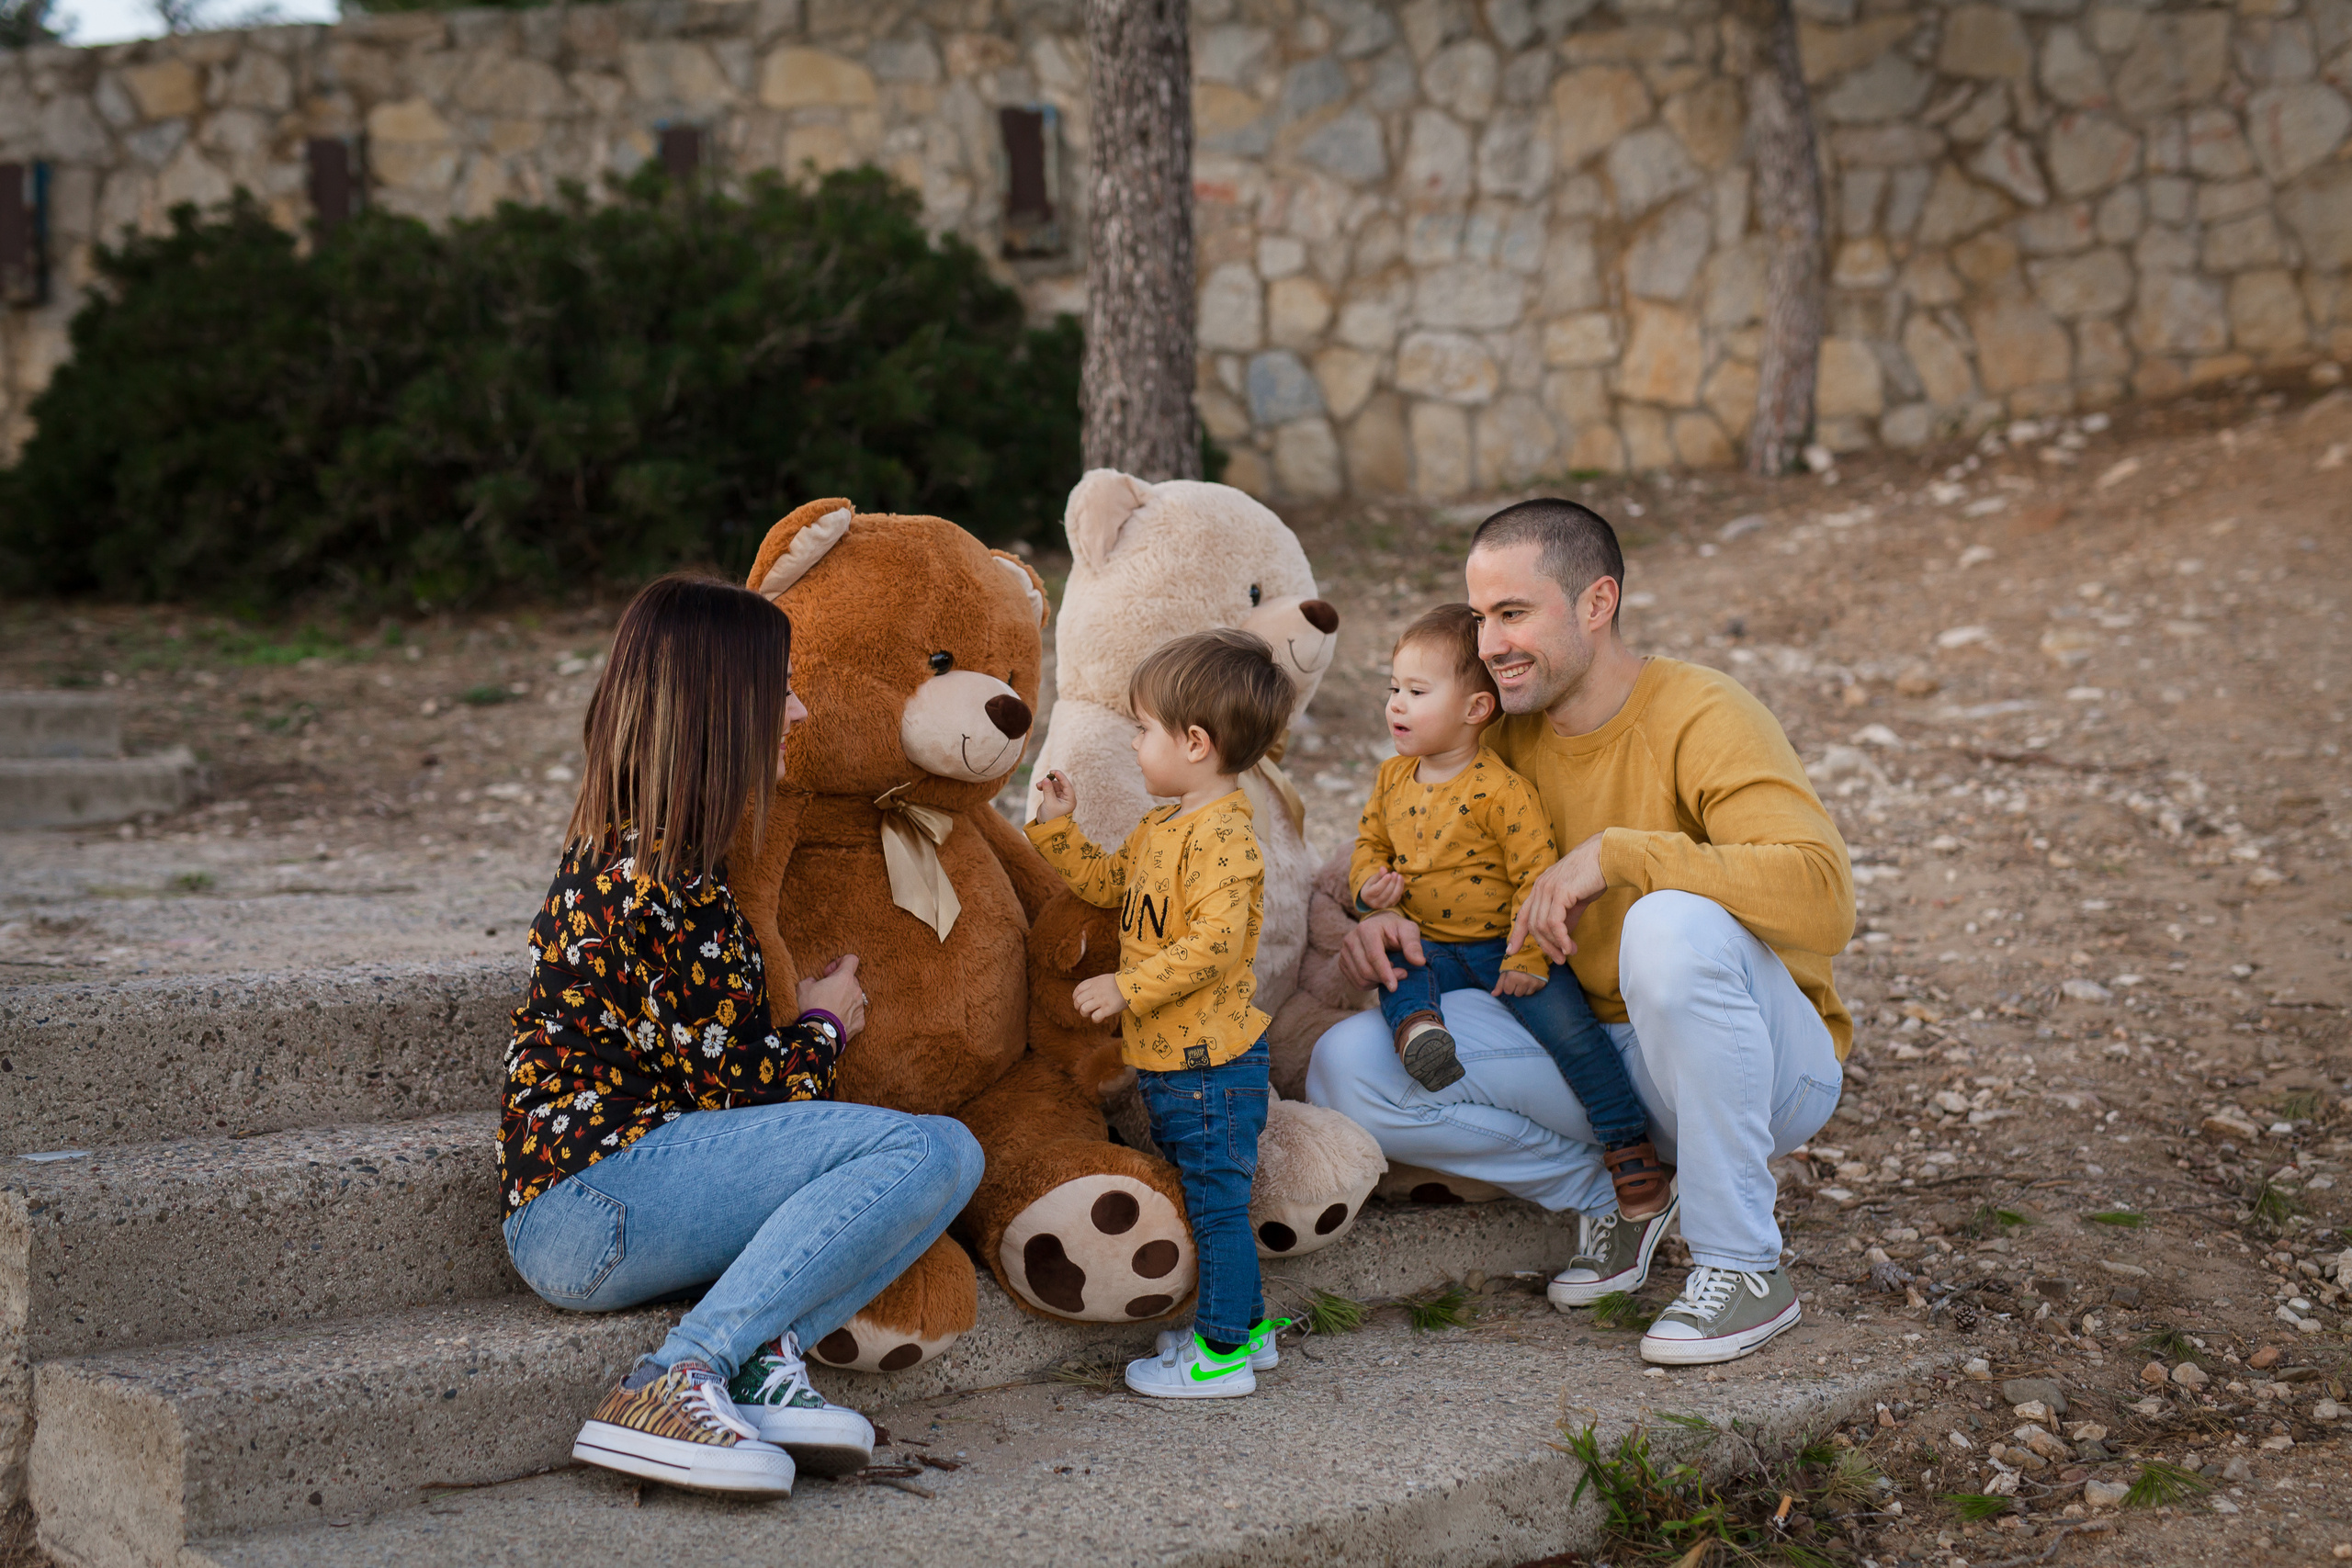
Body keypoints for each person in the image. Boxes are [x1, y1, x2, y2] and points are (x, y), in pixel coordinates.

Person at [1306, 500, 1852, 1367]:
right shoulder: (1500, 733)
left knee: (1666, 923)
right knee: (1350, 1068)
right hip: (1595, 1062)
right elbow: (1415, 848)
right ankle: (1617, 1191)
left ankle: (1745, 1263)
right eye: (1481, 617)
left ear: (1597, 604)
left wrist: (1622, 855)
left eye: (1513, 613)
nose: (1488, 642)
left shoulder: (1701, 712)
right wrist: (1383, 919)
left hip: (1760, 1068)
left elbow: (1826, 897)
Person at [500, 573, 984, 1498]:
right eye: (780, 689)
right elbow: (739, 1094)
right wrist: (822, 1027)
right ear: (721, 707)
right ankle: (673, 1377)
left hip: (628, 1189)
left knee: (951, 1153)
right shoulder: (643, 881)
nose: (797, 711)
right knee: (915, 1146)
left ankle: (761, 1361)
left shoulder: (675, 866)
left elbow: (707, 1075)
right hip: (587, 1202)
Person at [1026, 627, 1296, 1399]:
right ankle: (1242, 1328)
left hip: (1210, 1063)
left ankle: (1220, 1355)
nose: (1136, 743)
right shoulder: (1165, 825)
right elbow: (1114, 884)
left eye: (1144, 730)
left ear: (1197, 742)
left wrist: (1125, 986)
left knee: (1216, 1204)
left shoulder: (1224, 839)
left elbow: (1213, 946)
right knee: (1212, 1196)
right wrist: (1059, 828)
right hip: (1178, 1062)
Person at [1351, 603, 1670, 1221]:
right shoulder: (1392, 778)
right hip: (1431, 942)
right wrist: (1372, 885)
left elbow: (1537, 875)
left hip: (1504, 941)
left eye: (1416, 691)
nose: (1395, 704)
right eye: (1393, 689)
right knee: (1396, 958)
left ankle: (1627, 1144)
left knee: (1573, 1035)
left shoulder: (1501, 790)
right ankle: (1420, 1030)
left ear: (1475, 709)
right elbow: (1368, 844)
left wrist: (1528, 955)